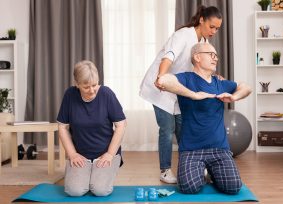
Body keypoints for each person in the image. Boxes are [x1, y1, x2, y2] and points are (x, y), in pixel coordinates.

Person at [139, 5, 223, 184]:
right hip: (160, 87)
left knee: (184, 131)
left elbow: (202, 67)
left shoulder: (205, 44)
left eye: (217, 28)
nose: (214, 31)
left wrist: (216, 77)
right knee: (167, 130)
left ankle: (194, 167)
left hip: (177, 90)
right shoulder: (183, 35)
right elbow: (168, 56)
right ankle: (165, 170)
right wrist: (161, 76)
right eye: (212, 27)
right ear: (202, 20)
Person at [157, 42, 252, 194]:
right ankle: (203, 171)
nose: (216, 58)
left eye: (216, 56)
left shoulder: (219, 83)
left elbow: (247, 87)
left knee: (233, 187)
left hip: (219, 149)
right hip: (191, 150)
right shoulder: (186, 79)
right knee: (188, 187)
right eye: (211, 55)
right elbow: (163, 80)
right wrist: (193, 95)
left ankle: (212, 172)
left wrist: (234, 97)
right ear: (197, 57)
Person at [57, 60, 126, 196]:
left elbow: (121, 125)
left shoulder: (106, 94)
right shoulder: (70, 95)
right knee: (74, 191)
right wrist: (72, 154)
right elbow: (62, 127)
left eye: (94, 85)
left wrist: (110, 154)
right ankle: (87, 174)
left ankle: (97, 174)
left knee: (100, 190)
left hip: (105, 153)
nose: (92, 90)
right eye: (86, 87)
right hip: (80, 154)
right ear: (77, 84)